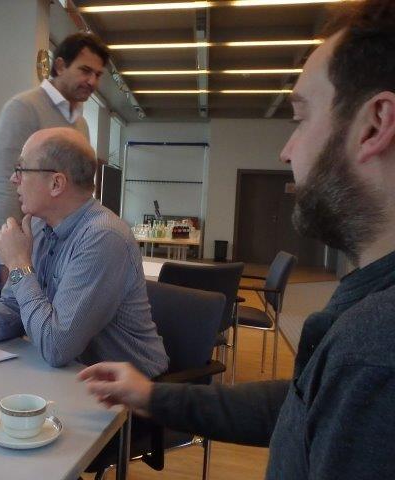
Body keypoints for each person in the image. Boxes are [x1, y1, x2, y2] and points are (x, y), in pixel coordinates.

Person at [79, 1, 395, 478]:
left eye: (301, 118)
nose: (286, 151)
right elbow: (300, 406)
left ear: (374, 125)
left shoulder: (374, 355)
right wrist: (152, 395)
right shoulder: (365, 330)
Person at [0, 127, 168, 378]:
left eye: (21, 169)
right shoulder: (37, 225)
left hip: (131, 390)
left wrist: (18, 264)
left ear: (56, 183)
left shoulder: (103, 237)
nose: (14, 179)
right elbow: (15, 305)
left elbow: (56, 346)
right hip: (73, 377)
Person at [0, 32, 109, 299]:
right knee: (14, 317)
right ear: (61, 66)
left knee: (50, 320)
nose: (92, 81)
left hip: (62, 253)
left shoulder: (80, 123)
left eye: (98, 74)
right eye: (85, 70)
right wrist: (12, 260)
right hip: (25, 253)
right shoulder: (23, 108)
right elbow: (5, 186)